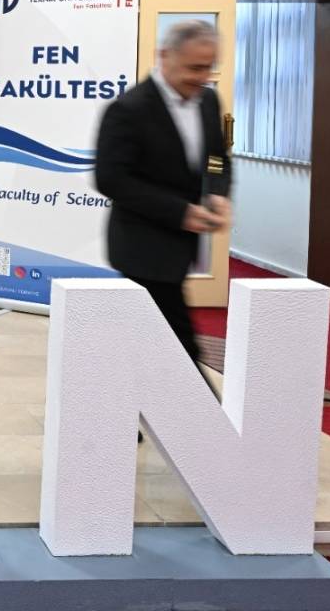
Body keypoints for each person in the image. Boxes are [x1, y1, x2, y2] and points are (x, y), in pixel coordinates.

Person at [94, 19, 231, 370]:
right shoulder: (128, 109)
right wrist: (181, 212)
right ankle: (192, 403)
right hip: (141, 247)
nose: (203, 77)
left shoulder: (208, 101)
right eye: (194, 68)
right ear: (164, 56)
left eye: (208, 67)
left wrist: (218, 193)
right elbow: (111, 179)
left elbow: (216, 159)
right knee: (179, 346)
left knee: (150, 344)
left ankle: (133, 397)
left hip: (180, 249)